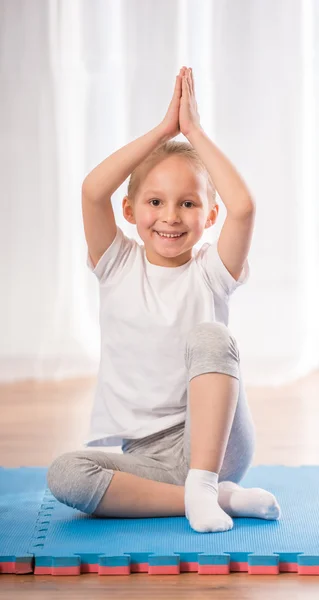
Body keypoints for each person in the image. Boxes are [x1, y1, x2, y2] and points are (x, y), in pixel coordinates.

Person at [47, 66, 281, 533]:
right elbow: (93, 190)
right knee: (65, 475)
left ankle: (207, 482)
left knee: (212, 336)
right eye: (155, 202)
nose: (170, 217)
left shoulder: (211, 273)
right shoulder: (115, 264)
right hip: (146, 456)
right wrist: (161, 131)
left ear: (209, 214)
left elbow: (246, 208)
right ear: (130, 210)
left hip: (214, 443)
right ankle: (214, 499)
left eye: (188, 203)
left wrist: (193, 131)